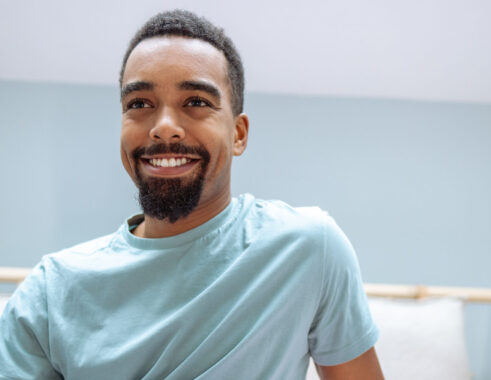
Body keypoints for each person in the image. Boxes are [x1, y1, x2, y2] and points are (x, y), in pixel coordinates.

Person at [0, 10, 383, 380]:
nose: (164, 128)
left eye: (196, 102)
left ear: (238, 134)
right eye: (139, 104)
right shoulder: (49, 294)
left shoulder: (308, 249)